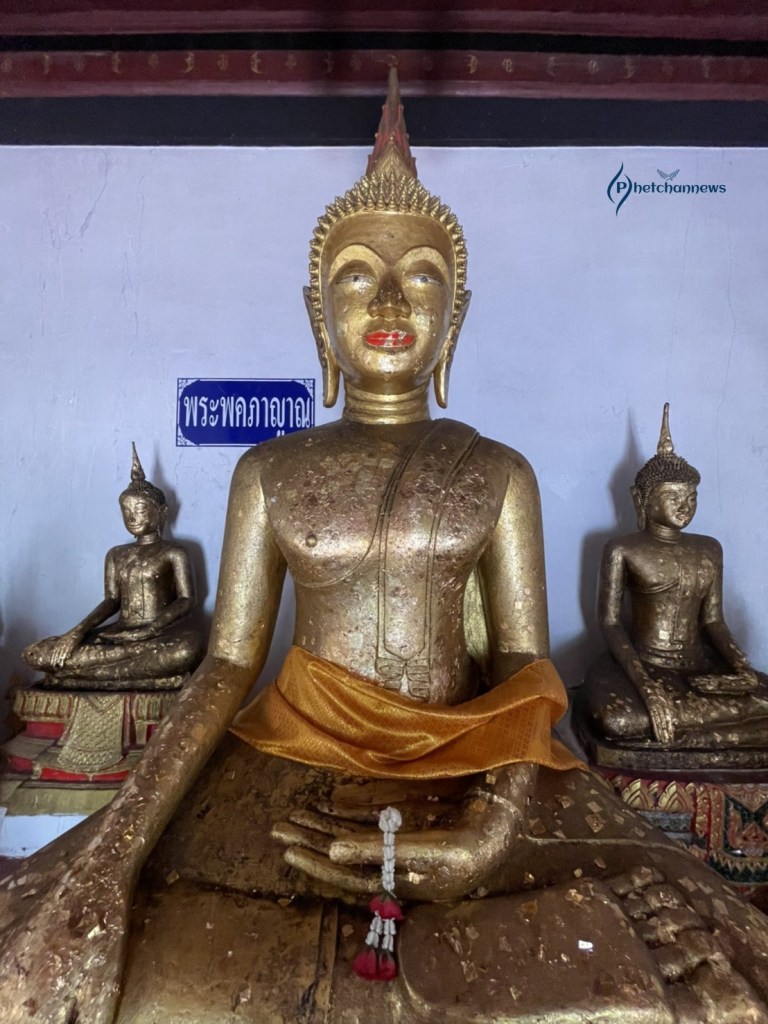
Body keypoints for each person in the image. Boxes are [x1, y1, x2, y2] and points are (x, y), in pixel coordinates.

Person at [2, 74, 767, 1024]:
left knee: (693, 978)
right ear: (317, 313)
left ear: (458, 315)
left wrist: (494, 828)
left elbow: (524, 666)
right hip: (293, 743)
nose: (393, 296)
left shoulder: (499, 472)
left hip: (466, 747)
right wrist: (113, 855)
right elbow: (229, 663)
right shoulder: (268, 471)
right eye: (359, 274)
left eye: (424, 277)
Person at [577, 404, 768, 763]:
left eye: (692, 497)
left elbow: (714, 621)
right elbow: (611, 623)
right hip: (644, 663)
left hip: (701, 668)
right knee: (616, 720)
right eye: (673, 497)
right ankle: (719, 737)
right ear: (643, 500)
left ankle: (688, 738)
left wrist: (742, 669)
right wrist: (646, 685)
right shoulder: (623, 549)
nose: (685, 507)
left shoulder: (709, 548)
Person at [22, 445, 202, 687]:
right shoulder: (116, 554)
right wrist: (76, 633)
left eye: (140, 509)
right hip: (118, 634)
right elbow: (111, 601)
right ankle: (143, 677)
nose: (132, 517)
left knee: (187, 649)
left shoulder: (174, 552)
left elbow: (187, 600)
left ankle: (76, 677)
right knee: (38, 654)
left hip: (157, 635)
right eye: (126, 511)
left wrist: (149, 630)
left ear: (162, 512)